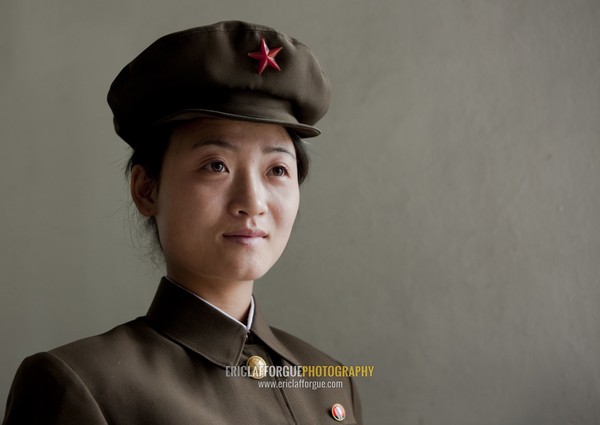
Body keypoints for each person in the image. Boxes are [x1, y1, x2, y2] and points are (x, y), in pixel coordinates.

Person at [2, 21, 362, 424]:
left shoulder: (329, 383)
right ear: (146, 190)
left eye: (277, 170)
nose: (252, 202)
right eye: (216, 165)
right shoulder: (81, 386)